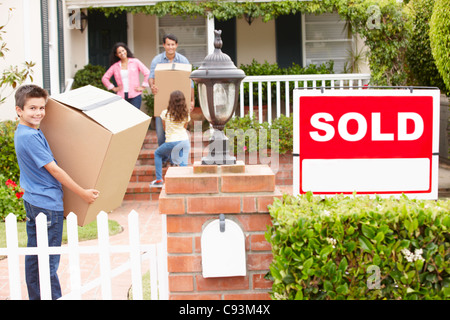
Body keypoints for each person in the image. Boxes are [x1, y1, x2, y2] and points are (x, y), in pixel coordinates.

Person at [14, 84, 100, 300]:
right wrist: (83, 193)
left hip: (34, 201)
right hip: (47, 205)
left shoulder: (25, 131)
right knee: (48, 262)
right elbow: (53, 169)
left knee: (35, 259)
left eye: (42, 108)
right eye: (32, 108)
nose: (38, 113)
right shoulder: (30, 137)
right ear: (19, 111)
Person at [149, 34, 195, 165]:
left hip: (179, 104)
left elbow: (190, 83)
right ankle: (164, 159)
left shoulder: (183, 60)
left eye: (173, 44)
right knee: (161, 134)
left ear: (176, 45)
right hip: (162, 102)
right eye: (168, 44)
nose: (170, 47)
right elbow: (151, 77)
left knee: (179, 133)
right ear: (164, 45)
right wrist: (152, 86)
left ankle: (175, 160)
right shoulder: (157, 60)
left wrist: (192, 101)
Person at [150, 90, 191, 187]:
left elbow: (164, 128)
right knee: (183, 165)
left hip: (171, 141)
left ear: (171, 101)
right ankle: (184, 184)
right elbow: (185, 127)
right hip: (184, 141)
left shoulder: (165, 113)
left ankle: (159, 180)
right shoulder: (186, 114)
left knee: (158, 153)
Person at [102, 42, 150, 109]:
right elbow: (104, 78)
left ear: (126, 50)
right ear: (116, 55)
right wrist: (113, 88)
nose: (122, 53)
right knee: (124, 117)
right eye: (119, 52)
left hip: (135, 96)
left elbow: (147, 73)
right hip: (121, 97)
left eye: (123, 50)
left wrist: (143, 86)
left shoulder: (135, 62)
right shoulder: (115, 66)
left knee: (135, 117)